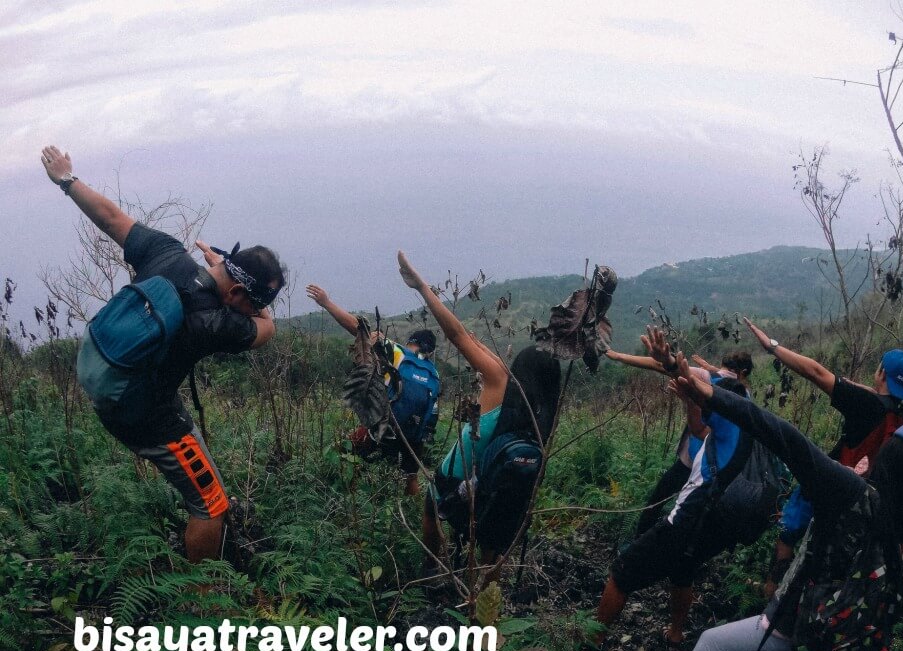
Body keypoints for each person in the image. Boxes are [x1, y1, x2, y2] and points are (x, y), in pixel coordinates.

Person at [638, 328, 903, 651]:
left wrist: (708, 393)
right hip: (842, 634)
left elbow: (777, 431)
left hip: (804, 618)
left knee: (710, 645)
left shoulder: (849, 489)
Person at [41, 145, 285, 563]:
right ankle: (199, 599)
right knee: (211, 503)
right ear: (239, 293)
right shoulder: (217, 322)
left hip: (107, 375)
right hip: (141, 414)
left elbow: (111, 218)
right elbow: (267, 329)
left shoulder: (167, 252)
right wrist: (252, 304)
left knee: (197, 465)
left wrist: (67, 179)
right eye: (252, 301)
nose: (252, 311)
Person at [597, 341, 775, 646]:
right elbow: (699, 430)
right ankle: (676, 633)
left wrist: (669, 364)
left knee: (622, 572)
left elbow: (690, 385)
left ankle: (590, 645)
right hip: (720, 519)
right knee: (684, 569)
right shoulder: (744, 413)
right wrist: (690, 401)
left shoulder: (724, 402)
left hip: (695, 511)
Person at [396, 252, 560, 575]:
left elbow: (458, 336)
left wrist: (422, 288)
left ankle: (433, 570)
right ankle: (486, 605)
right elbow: (469, 339)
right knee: (492, 545)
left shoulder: (499, 380)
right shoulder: (541, 416)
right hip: (495, 491)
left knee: (432, 505)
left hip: (457, 481)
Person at [743, 318, 903, 597]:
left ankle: (770, 592)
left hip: (827, 481)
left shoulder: (864, 403)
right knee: (824, 554)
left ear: (881, 374)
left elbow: (814, 371)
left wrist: (772, 346)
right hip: (860, 501)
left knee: (788, 533)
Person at [305, 283, 439, 497]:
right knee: (411, 477)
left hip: (382, 427)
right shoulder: (434, 374)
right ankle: (413, 511)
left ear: (411, 342)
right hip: (414, 438)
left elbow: (359, 330)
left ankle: (351, 503)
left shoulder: (400, 354)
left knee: (343, 451)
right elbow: (431, 417)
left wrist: (326, 302)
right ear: (431, 351)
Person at [605, 348, 754, 537]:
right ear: (743, 373)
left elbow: (660, 365)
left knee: (659, 497)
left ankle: (640, 540)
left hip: (693, 458)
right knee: (696, 511)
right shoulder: (745, 394)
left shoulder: (706, 377)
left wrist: (619, 356)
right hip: (717, 465)